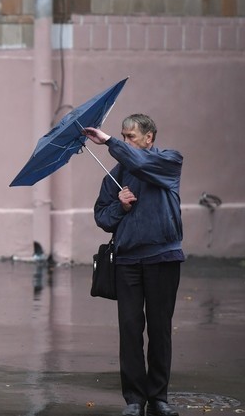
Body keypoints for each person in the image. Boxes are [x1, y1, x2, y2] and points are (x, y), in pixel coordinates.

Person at [83, 114, 184, 416]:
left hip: (163, 258)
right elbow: (102, 217)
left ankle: (159, 397)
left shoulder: (169, 162)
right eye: (123, 136)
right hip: (127, 260)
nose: (126, 141)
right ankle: (134, 400)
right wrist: (121, 206)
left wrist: (110, 143)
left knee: (160, 329)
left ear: (150, 137)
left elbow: (142, 165)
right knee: (129, 329)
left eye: (131, 136)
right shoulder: (115, 175)